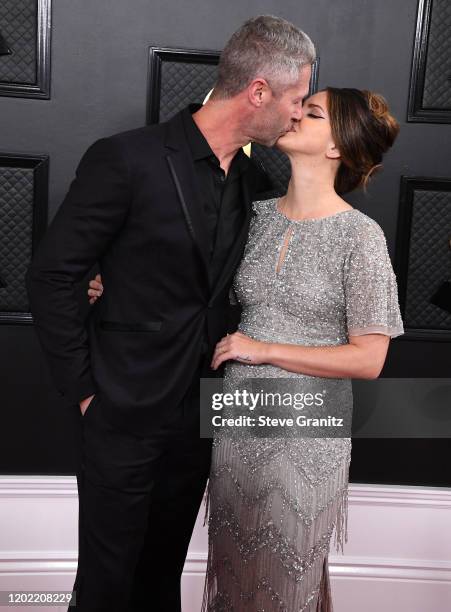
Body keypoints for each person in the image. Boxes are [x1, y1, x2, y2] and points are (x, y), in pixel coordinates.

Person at [25, 15, 316, 612]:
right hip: (121, 407)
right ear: (258, 91)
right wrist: (84, 390)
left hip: (201, 414)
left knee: (162, 576)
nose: (297, 112)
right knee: (108, 582)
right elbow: (53, 275)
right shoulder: (127, 158)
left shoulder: (256, 182)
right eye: (296, 98)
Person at [88, 88, 404, 610]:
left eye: (313, 111)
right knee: (235, 573)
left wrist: (264, 350)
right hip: (236, 422)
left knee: (286, 577)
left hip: (307, 431)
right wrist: (117, 284)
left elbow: (369, 359)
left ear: (337, 147)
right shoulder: (253, 215)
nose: (295, 112)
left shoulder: (360, 237)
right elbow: (192, 290)